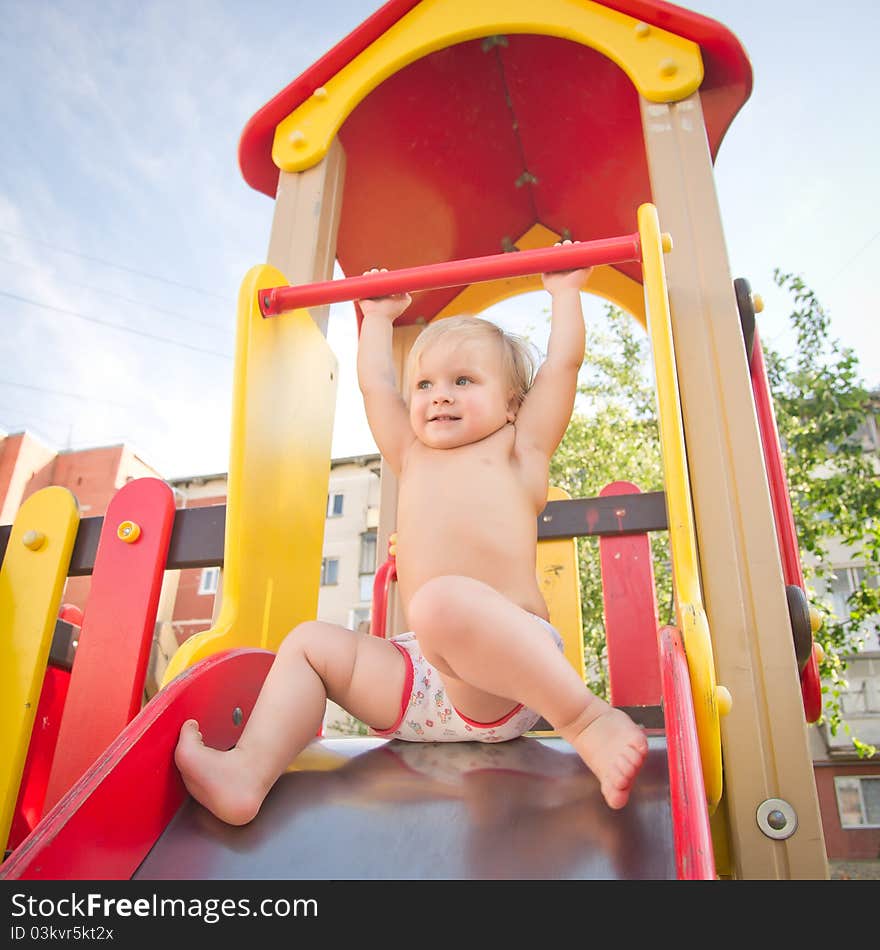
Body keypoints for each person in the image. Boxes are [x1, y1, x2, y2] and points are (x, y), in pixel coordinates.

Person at [175, 245, 648, 825]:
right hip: (418, 680)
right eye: (424, 384)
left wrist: (566, 293)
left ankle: (586, 720)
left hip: (503, 678)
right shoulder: (409, 451)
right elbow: (376, 387)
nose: (439, 395)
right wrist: (376, 319)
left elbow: (561, 368)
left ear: (512, 405)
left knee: (442, 603)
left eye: (463, 380)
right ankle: (248, 773)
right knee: (308, 644)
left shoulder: (520, 451)